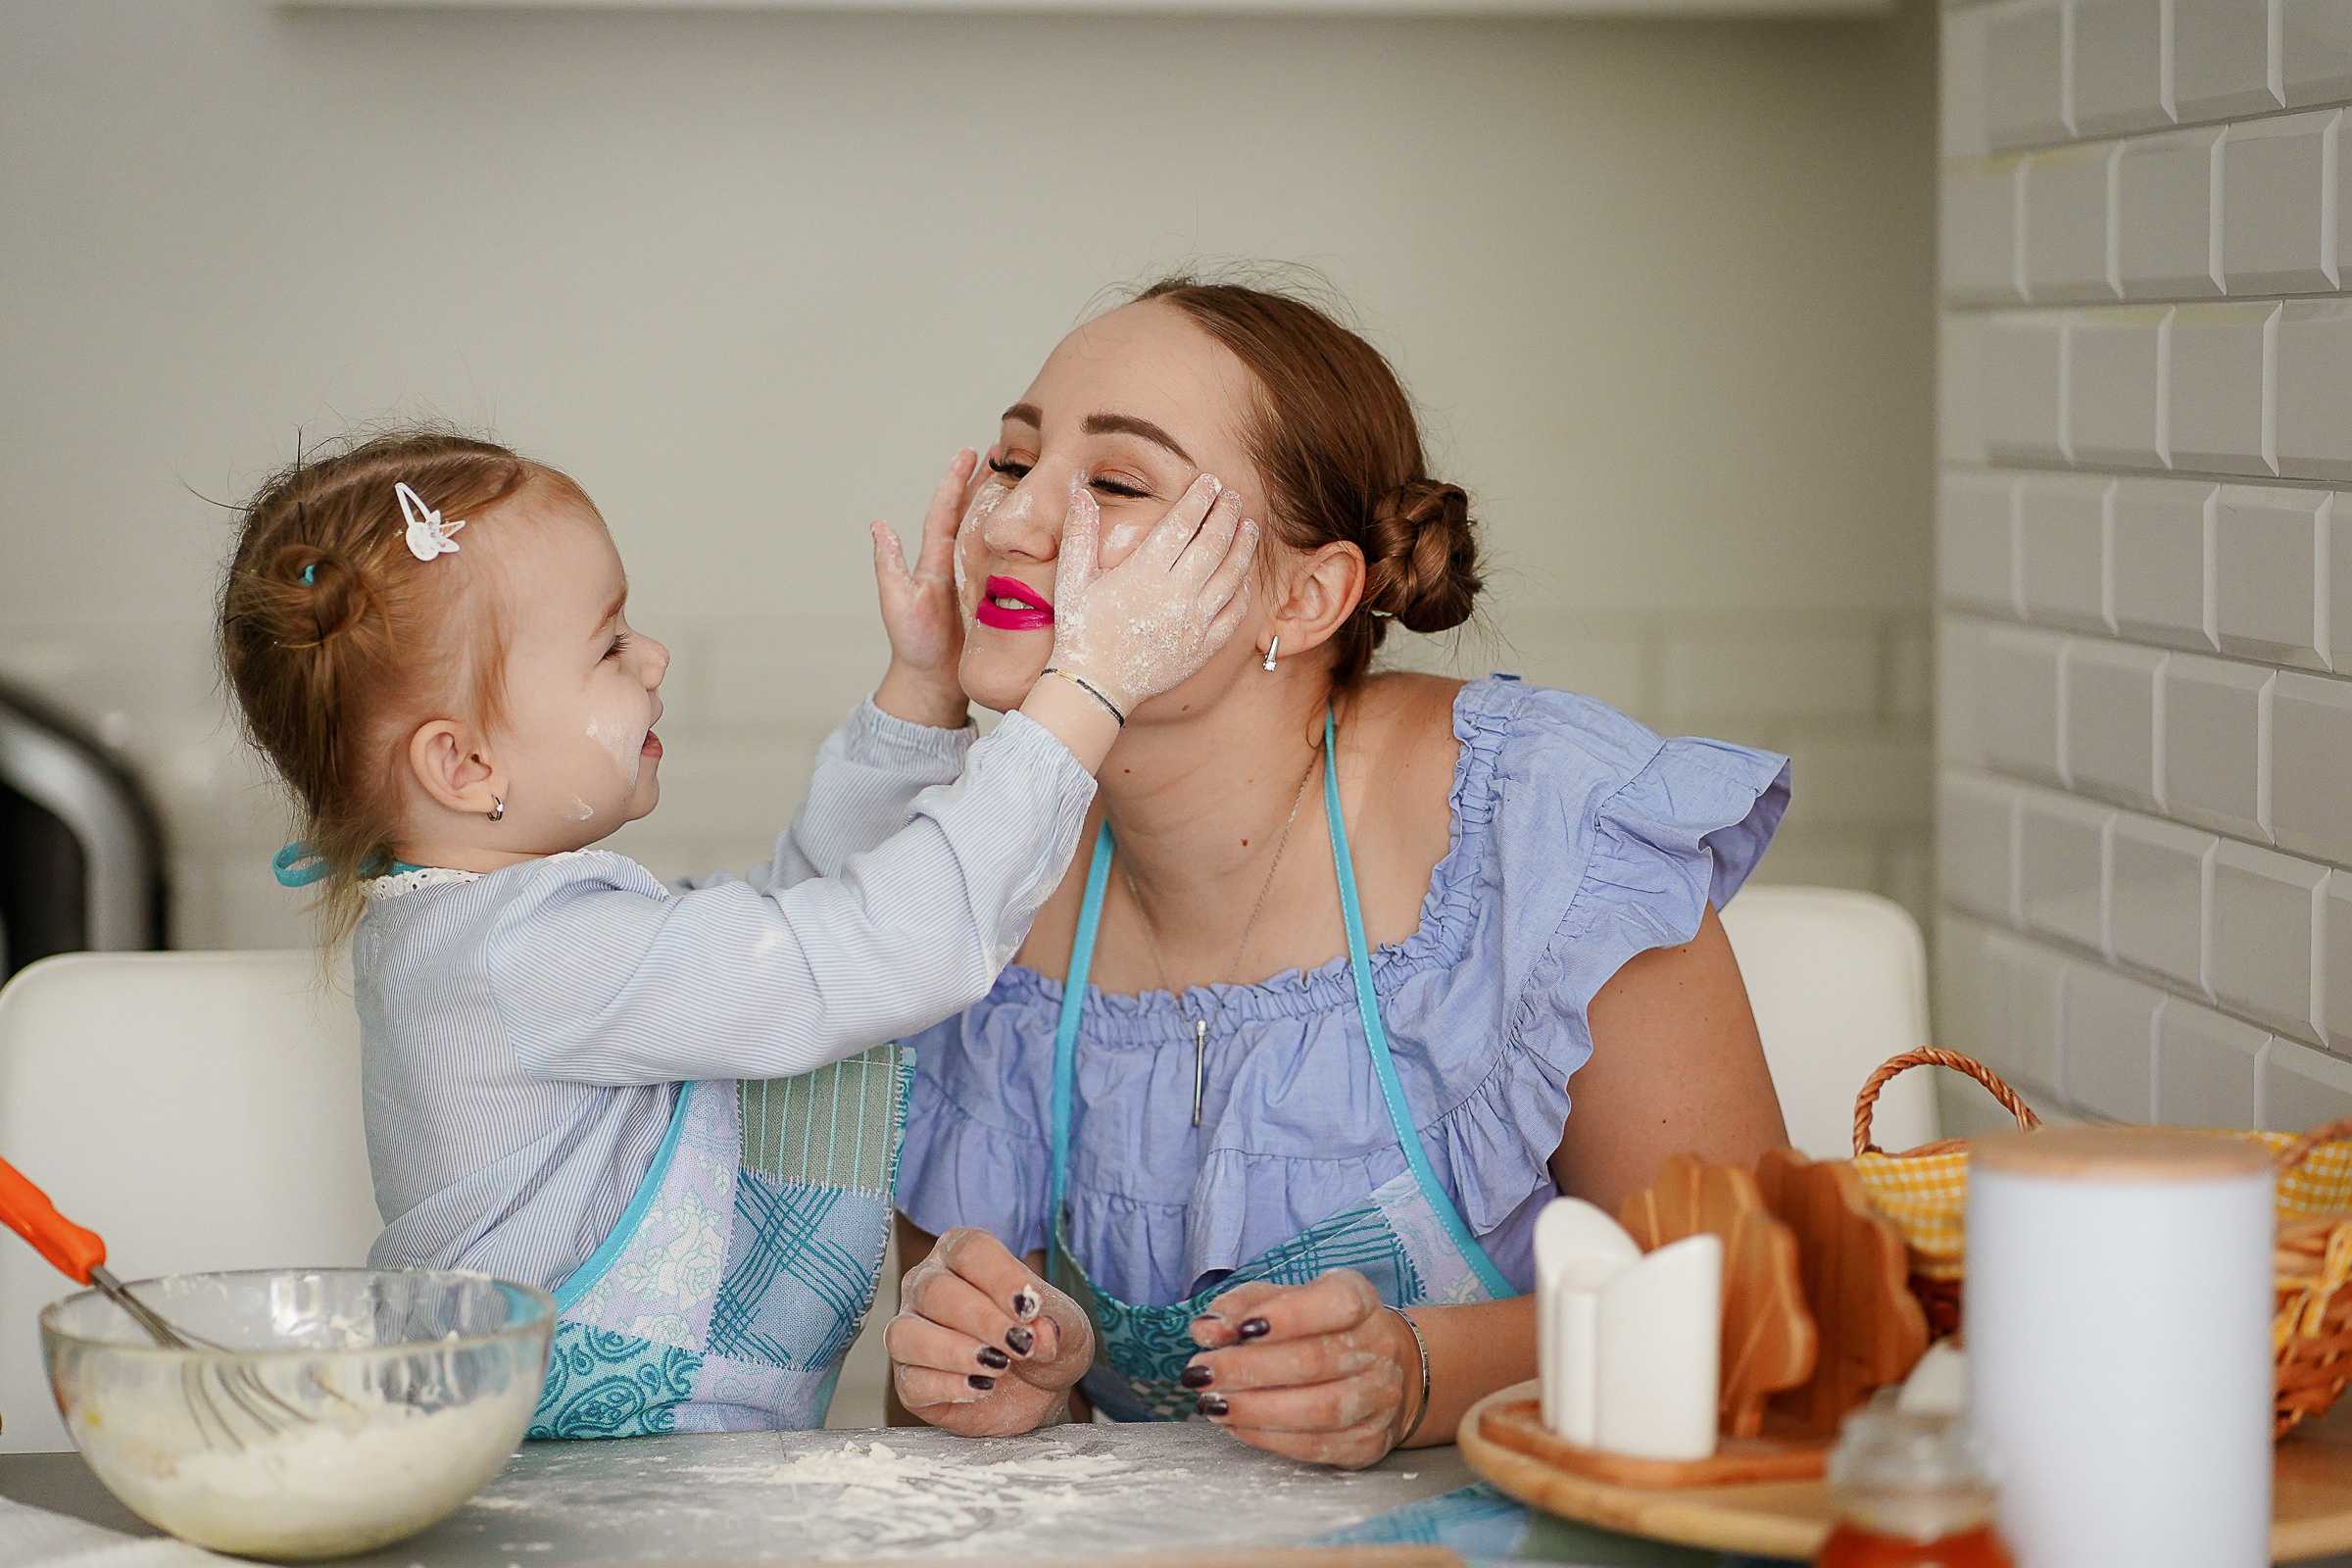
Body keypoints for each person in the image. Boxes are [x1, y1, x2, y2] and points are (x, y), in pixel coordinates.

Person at [885, 278, 1792, 1467]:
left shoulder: (1545, 824)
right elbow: (938, 1441)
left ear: (1308, 596)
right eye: (1015, 461)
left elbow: (1759, 1318)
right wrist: (994, 1383)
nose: (1011, 523)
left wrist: (1422, 1372)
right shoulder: (971, 880)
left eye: (1114, 482)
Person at [215, 427, 1255, 1435]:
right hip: (572, 1491)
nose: (655, 655)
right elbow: (855, 952)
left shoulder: (500, 935)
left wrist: (922, 695)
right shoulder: (527, 956)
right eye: (611, 645)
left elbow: (778, 946)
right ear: (465, 767)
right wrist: (1086, 692)